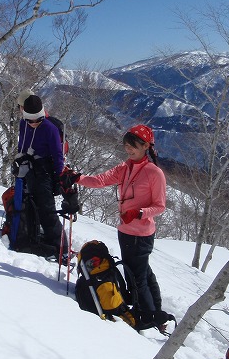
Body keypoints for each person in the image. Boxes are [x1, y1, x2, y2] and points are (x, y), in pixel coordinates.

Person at [61, 125, 170, 330]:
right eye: (126, 145)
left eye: (133, 146)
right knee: (143, 273)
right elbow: (100, 180)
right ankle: (155, 314)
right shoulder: (125, 167)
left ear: (146, 146)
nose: (128, 149)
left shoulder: (154, 173)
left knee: (137, 278)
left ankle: (147, 317)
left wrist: (138, 213)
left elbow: (160, 206)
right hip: (126, 231)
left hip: (141, 234)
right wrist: (77, 178)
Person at [14, 94, 65, 257]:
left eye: (38, 120)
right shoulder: (24, 124)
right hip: (27, 168)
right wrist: (19, 160)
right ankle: (32, 234)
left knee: (47, 209)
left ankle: (59, 246)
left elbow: (58, 154)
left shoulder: (50, 128)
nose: (34, 124)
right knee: (28, 204)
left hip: (44, 171)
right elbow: (22, 143)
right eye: (31, 121)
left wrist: (59, 178)